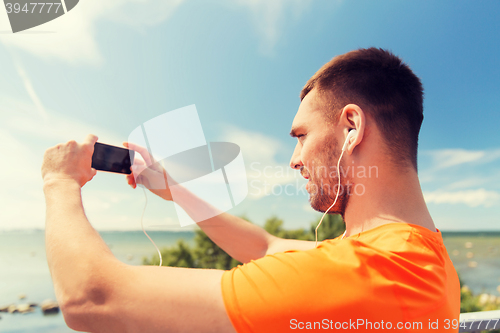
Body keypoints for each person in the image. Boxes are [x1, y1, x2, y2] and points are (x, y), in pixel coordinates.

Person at [42, 48, 460, 333]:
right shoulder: (418, 257)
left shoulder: (370, 274)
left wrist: (58, 180)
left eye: (301, 135)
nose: (295, 160)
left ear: (351, 127)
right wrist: (173, 189)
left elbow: (91, 298)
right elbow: (265, 246)